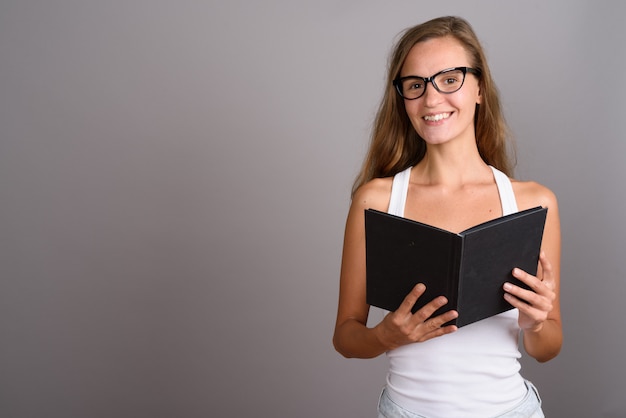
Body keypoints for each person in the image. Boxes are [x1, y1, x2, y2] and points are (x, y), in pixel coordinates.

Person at [332, 16, 562, 417]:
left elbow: (548, 347)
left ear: (479, 89)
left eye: (450, 78)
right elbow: (346, 336)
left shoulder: (533, 202)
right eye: (416, 85)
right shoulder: (377, 200)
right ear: (402, 98)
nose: (432, 99)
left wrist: (536, 323)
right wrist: (385, 336)